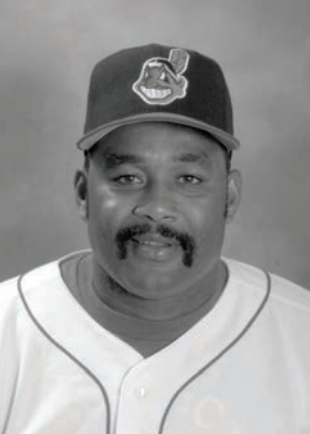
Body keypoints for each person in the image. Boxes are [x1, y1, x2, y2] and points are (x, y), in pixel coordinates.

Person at [0, 43, 309, 434]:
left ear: (229, 198)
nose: (157, 207)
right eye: (127, 177)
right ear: (83, 194)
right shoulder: (7, 331)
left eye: (189, 179)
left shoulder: (301, 340)